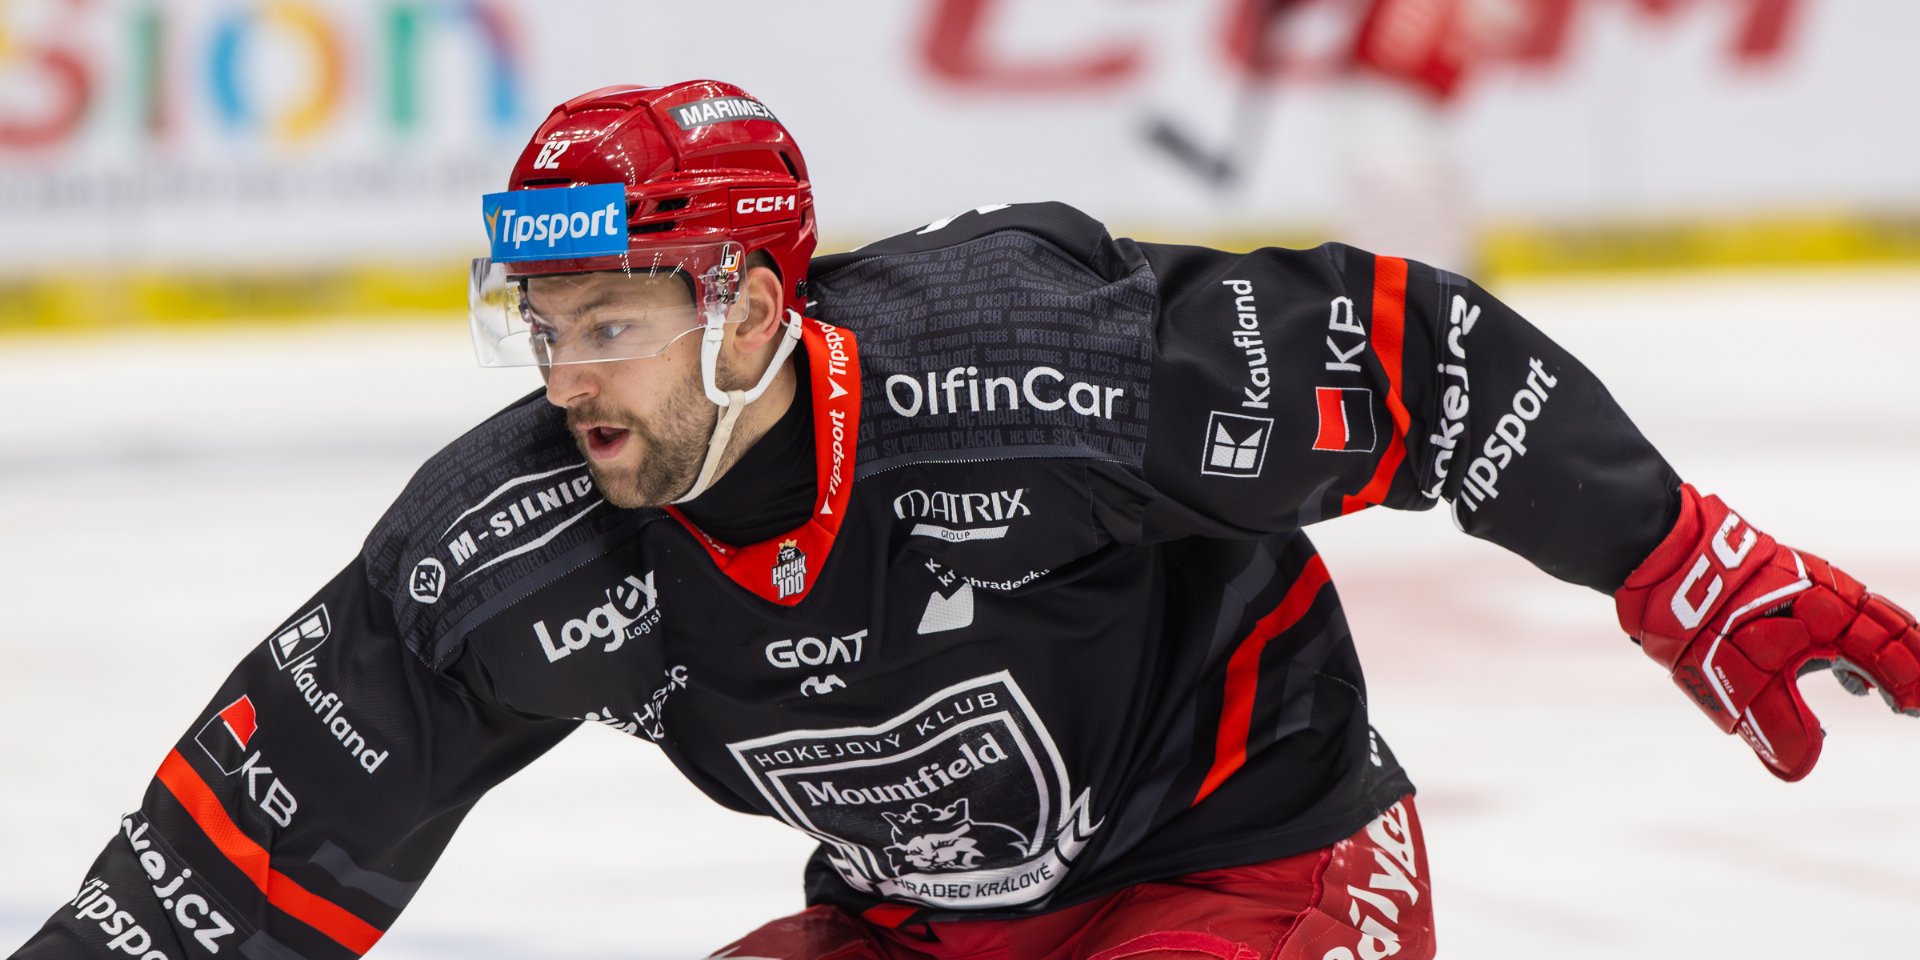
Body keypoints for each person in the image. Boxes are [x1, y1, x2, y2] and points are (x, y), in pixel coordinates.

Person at [11, 79, 1917, 960]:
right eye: (547, 326)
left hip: (1260, 874)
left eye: (614, 324)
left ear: (751, 306)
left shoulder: (1032, 369)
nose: (572, 377)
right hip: (925, 934)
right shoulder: (523, 548)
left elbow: (1414, 357)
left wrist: (1676, 555)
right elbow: (226, 874)